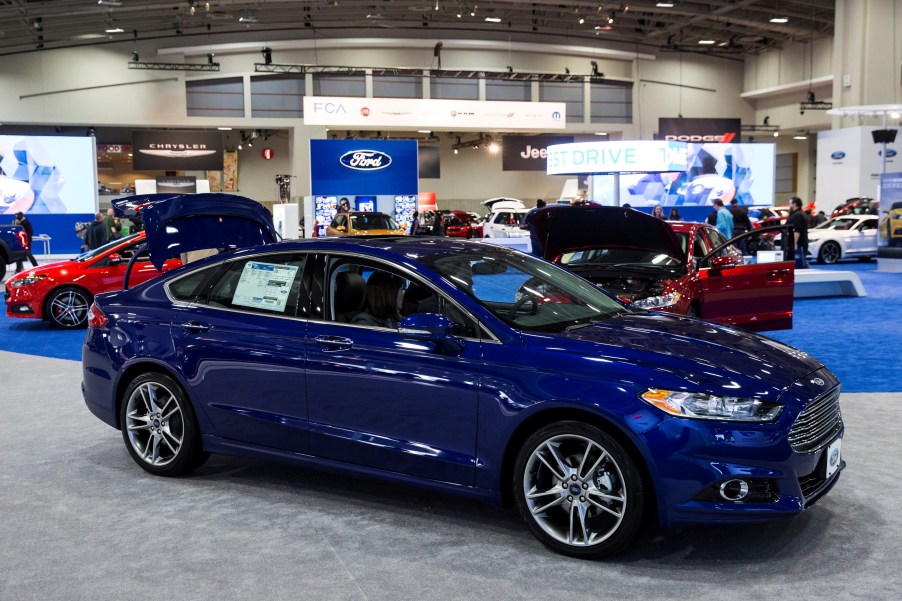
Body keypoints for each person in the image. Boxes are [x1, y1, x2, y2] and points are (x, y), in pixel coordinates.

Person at [787, 196, 810, 269]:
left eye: (790, 203)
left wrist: (794, 243)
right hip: (800, 244)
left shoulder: (797, 215)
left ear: (794, 204)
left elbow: (797, 230)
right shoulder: (800, 214)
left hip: (798, 245)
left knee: (798, 265)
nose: (789, 205)